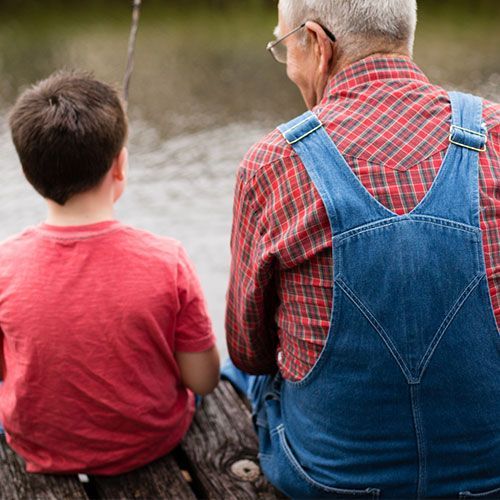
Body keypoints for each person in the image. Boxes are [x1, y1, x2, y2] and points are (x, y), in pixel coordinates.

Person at [224, 0, 499, 498]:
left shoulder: (272, 163)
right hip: (491, 477)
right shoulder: (496, 135)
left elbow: (250, 351)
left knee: (237, 371)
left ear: (316, 44)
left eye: (284, 47)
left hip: (333, 483)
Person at [0, 71, 220, 475]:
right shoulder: (167, 259)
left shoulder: (3, 266)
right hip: (150, 442)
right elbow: (203, 381)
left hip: (37, 446)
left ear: (30, 177)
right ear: (119, 166)